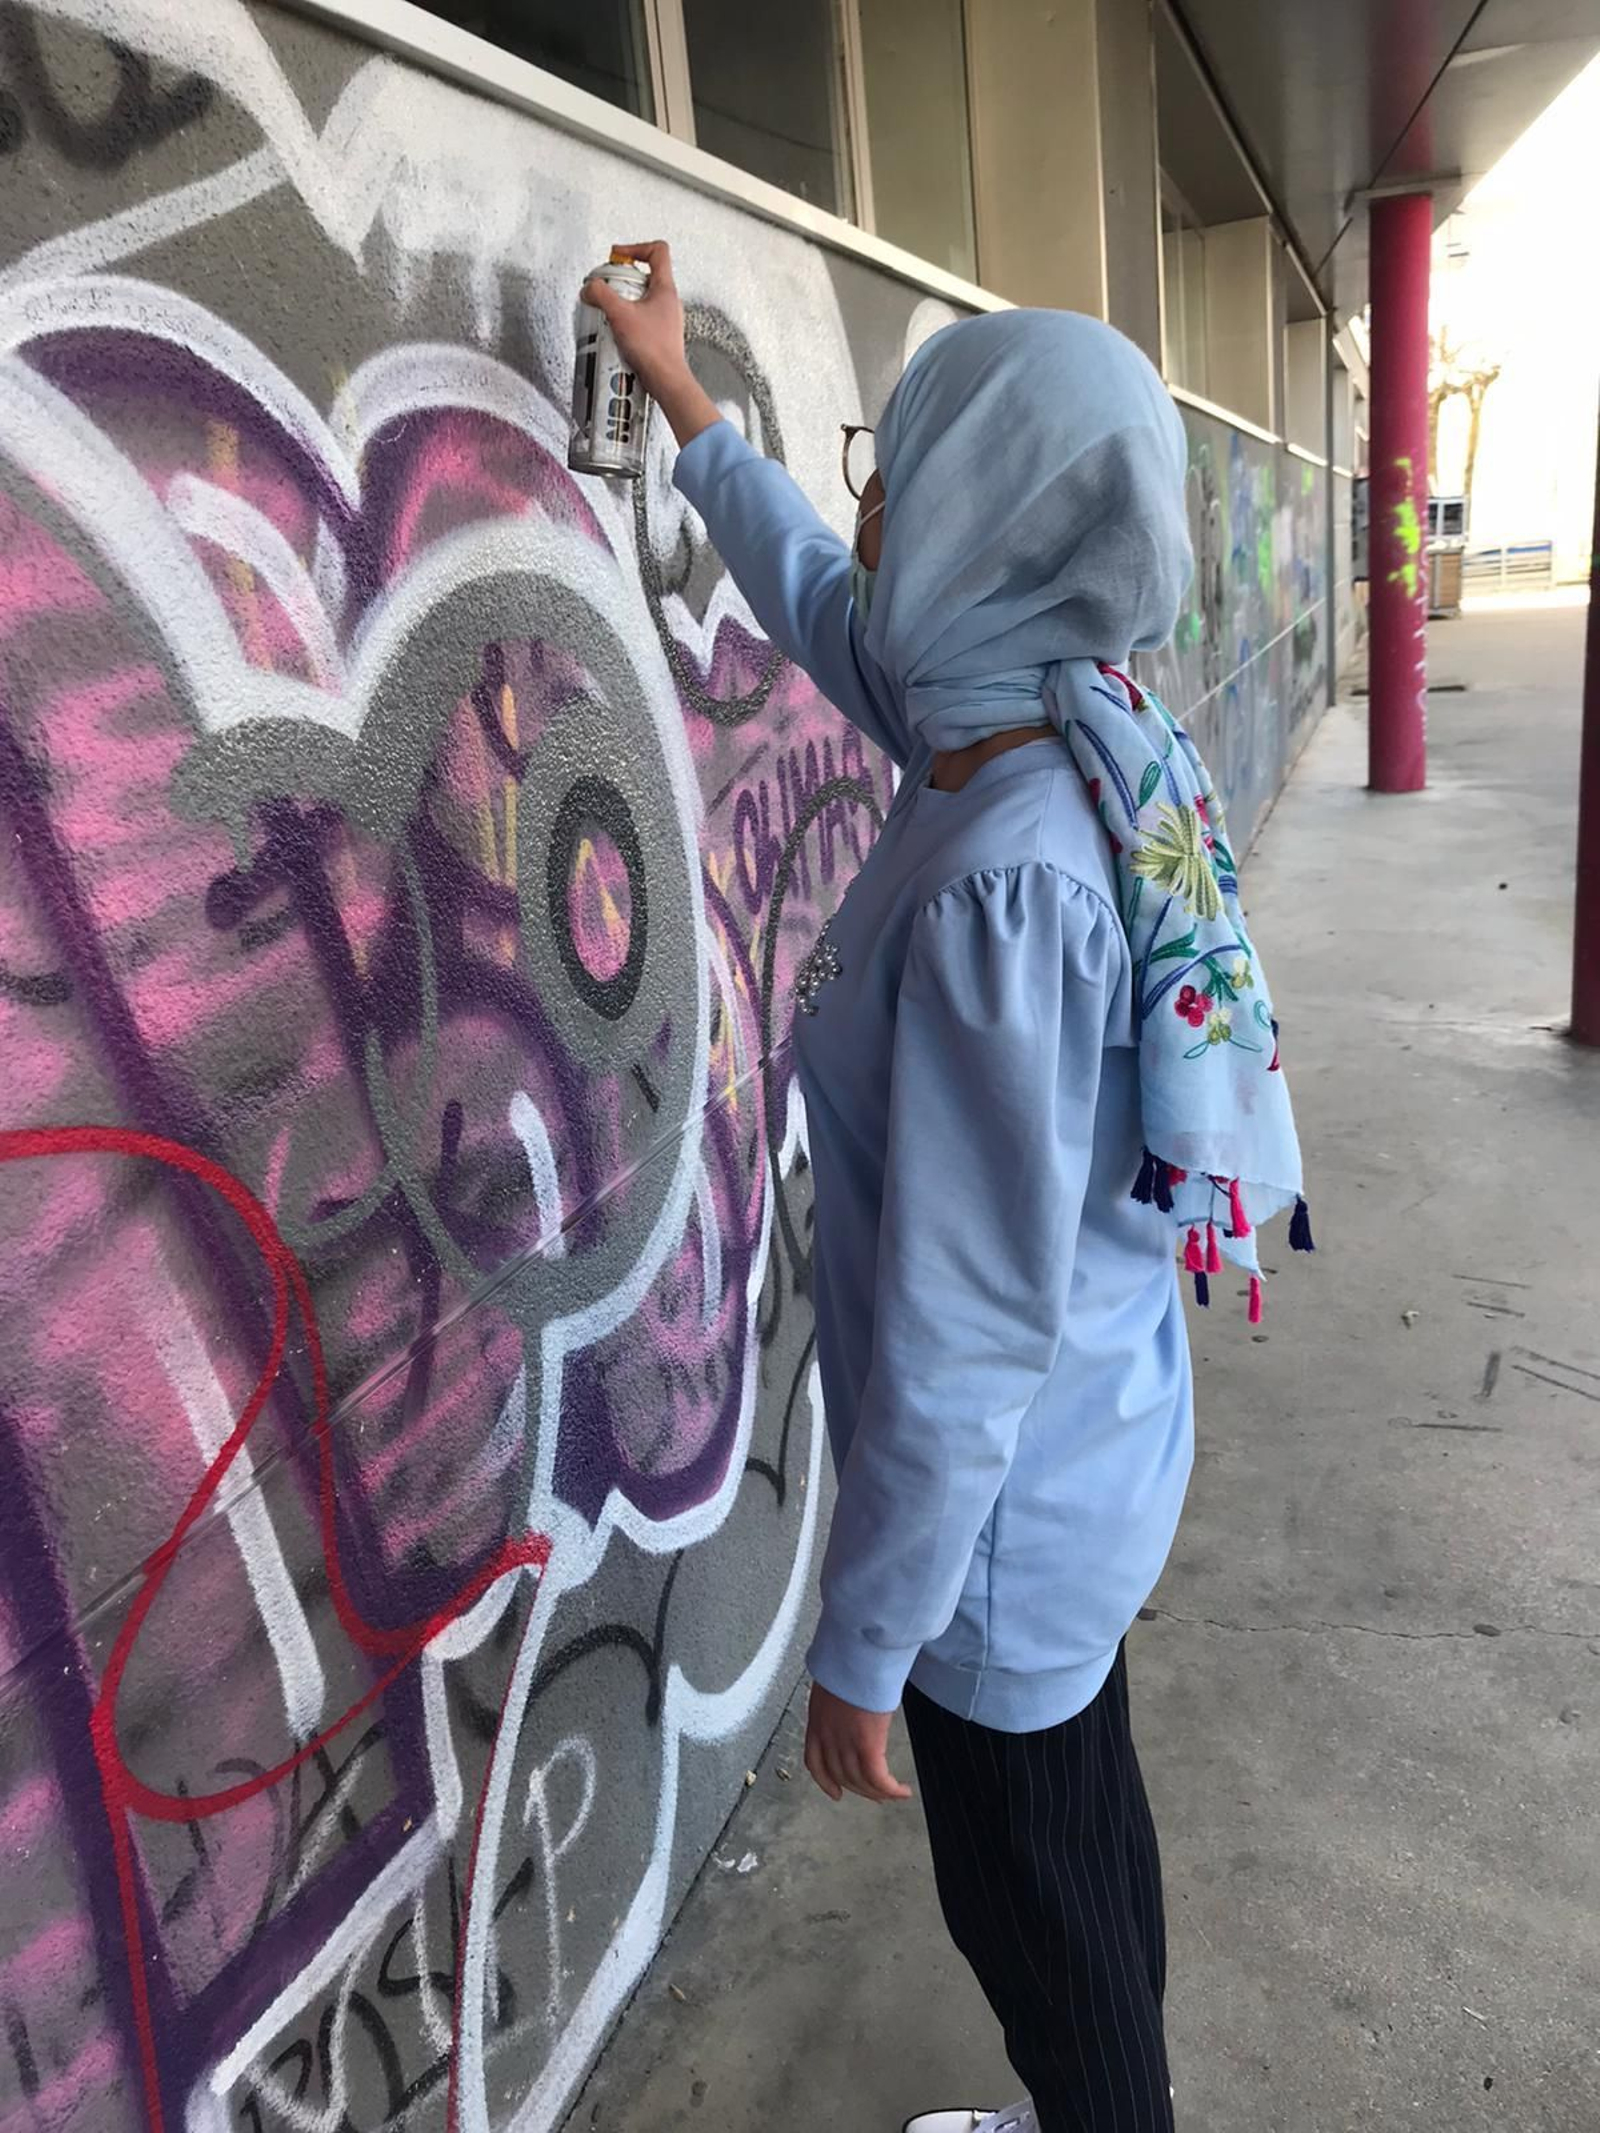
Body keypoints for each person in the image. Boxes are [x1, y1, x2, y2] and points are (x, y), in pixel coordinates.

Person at [581, 243, 1306, 2133]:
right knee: (1087, 1849)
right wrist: (683, 403)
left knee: (1033, 1909)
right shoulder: (1031, 718)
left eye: (903, 465)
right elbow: (834, 603)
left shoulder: (1009, 869)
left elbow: (969, 1327)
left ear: (991, 519)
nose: (875, 497)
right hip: (1093, 1465)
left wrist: (864, 1645)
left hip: (1003, 1530)